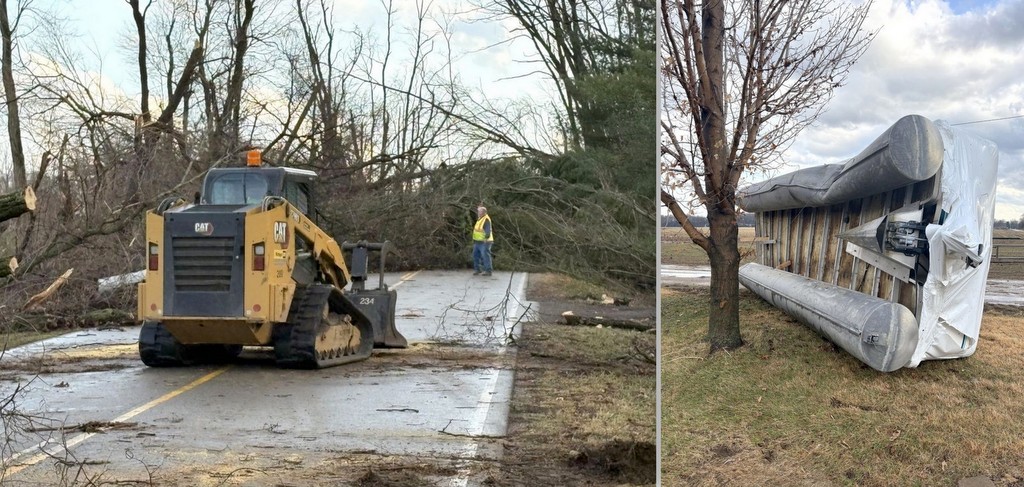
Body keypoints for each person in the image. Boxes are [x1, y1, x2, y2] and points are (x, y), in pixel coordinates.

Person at [472, 206, 494, 276]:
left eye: (479, 211)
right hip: (477, 241)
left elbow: (487, 230)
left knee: (485, 256)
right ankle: (477, 269)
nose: (478, 213)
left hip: (485, 241)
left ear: (483, 212)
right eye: (478, 211)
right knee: (476, 255)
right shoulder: (480, 219)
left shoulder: (486, 219)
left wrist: (486, 238)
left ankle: (488, 270)